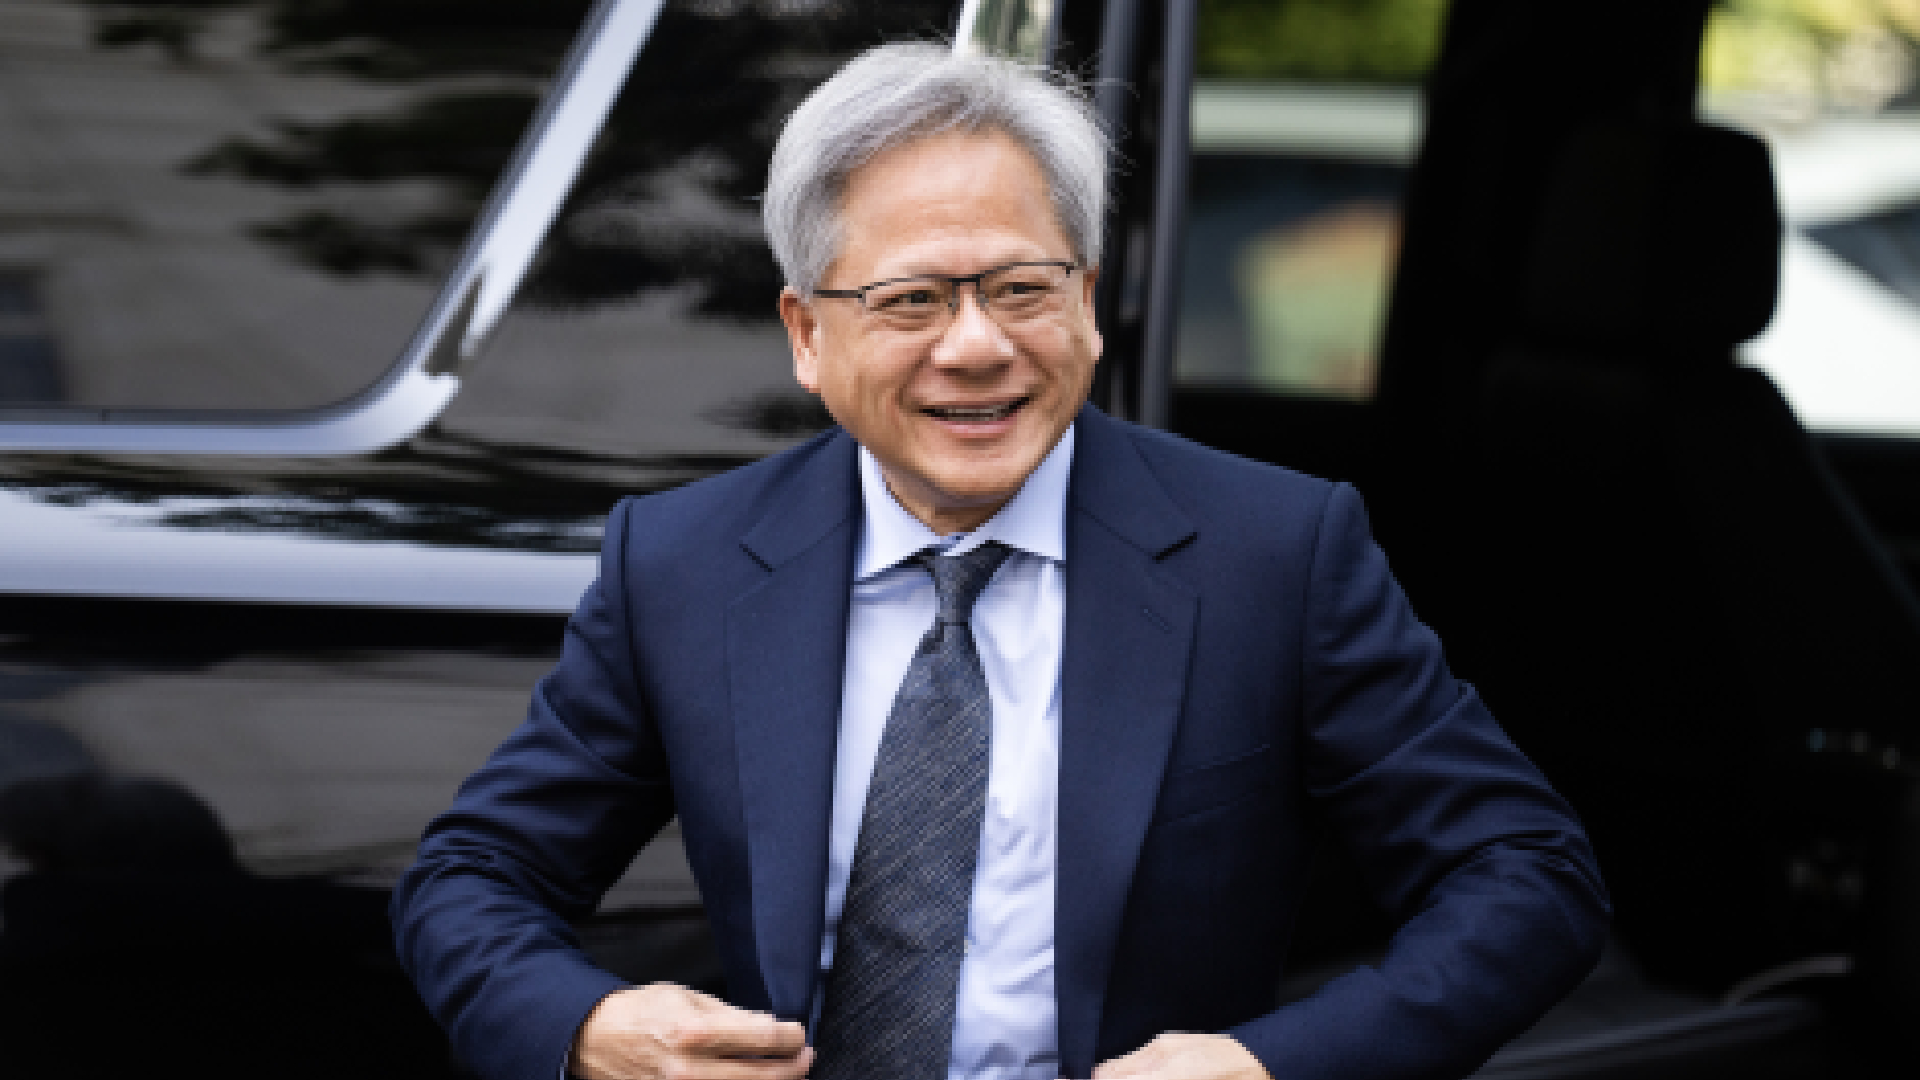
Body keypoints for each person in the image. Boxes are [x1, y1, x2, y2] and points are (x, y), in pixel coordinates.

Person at [391, 41, 1608, 1080]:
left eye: (1021, 288)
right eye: (912, 301)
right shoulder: (686, 563)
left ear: (1087, 300)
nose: (977, 348)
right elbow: (471, 874)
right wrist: (590, 1026)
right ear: (808, 335)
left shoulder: (1273, 553)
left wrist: (1272, 1064)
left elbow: (1528, 877)